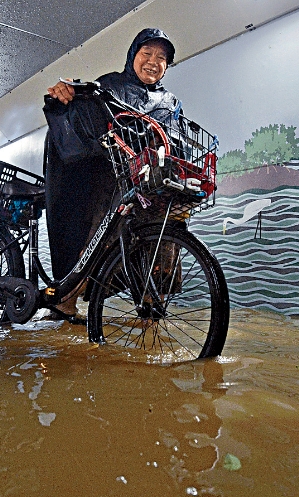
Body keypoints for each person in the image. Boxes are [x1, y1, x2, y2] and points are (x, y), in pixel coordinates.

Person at [43, 28, 183, 322]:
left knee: (161, 237)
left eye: (161, 58)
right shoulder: (111, 84)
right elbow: (83, 103)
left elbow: (176, 139)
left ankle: (150, 304)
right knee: (102, 234)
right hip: (113, 179)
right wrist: (65, 91)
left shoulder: (170, 102)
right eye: (147, 53)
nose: (153, 62)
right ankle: (66, 301)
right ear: (134, 54)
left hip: (151, 180)